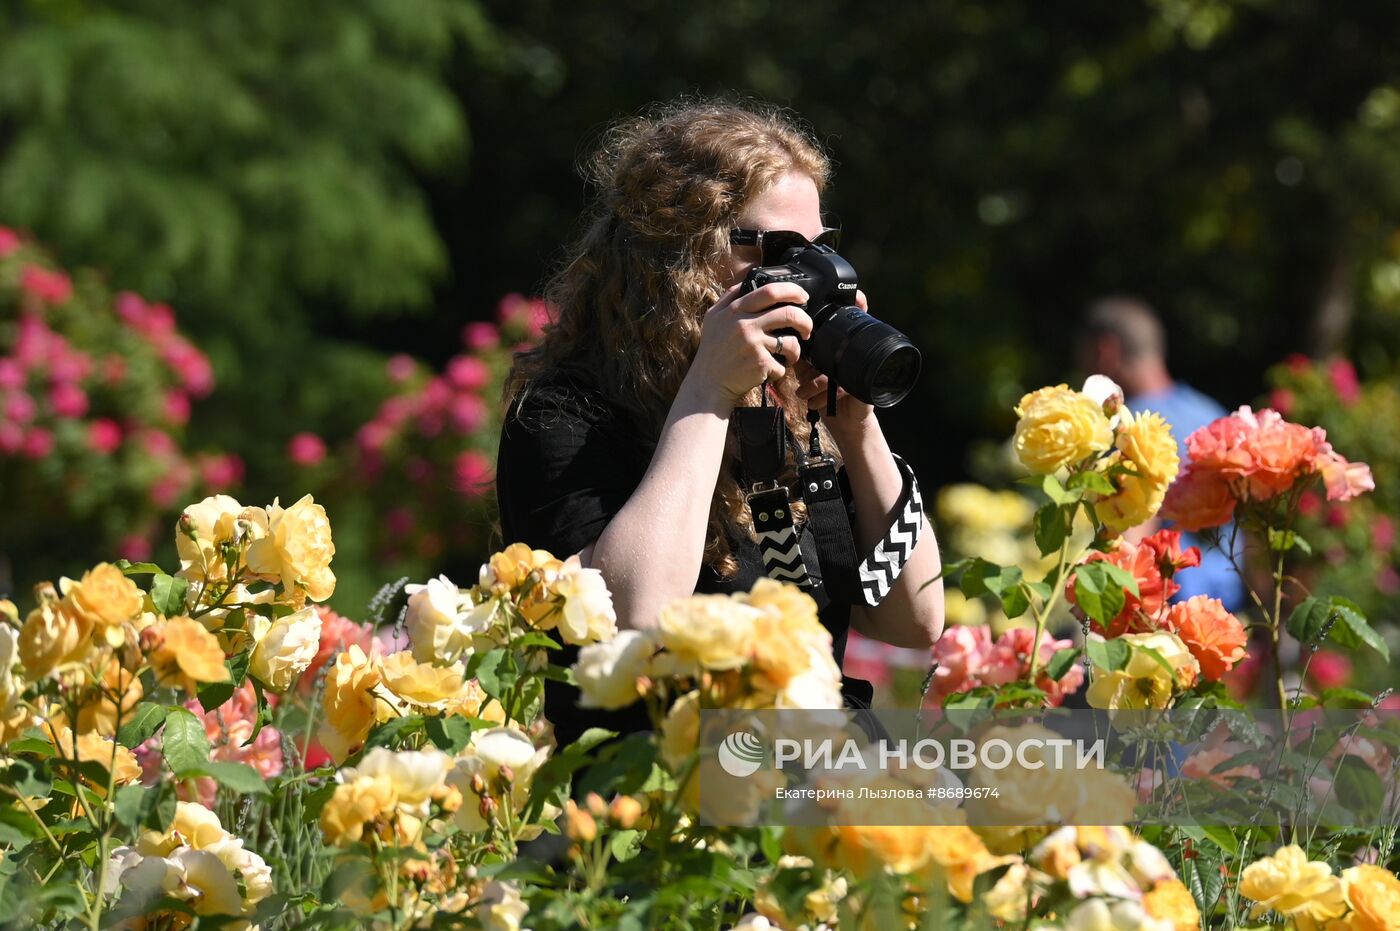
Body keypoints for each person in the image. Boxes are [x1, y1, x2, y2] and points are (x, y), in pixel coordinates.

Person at [495, 100, 945, 746]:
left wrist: (856, 426)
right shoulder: (567, 416)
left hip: (813, 787)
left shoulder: (789, 411)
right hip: (656, 808)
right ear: (676, 256)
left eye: (821, 249)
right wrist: (708, 388)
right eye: (783, 251)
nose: (814, 277)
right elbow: (634, 619)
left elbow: (916, 616)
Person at [1079, 295, 1247, 611]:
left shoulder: (1125, 428)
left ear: (1106, 351)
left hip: (1163, 612)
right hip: (1230, 613)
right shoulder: (1211, 414)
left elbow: (1130, 532)